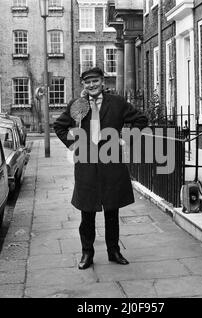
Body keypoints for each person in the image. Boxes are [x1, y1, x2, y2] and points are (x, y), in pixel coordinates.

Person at [54, 67, 149, 270]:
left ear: (102, 81)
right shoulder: (77, 105)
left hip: (111, 165)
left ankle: (113, 251)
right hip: (86, 166)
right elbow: (59, 126)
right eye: (87, 82)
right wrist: (73, 145)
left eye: (95, 81)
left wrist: (125, 140)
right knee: (87, 212)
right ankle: (87, 253)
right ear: (83, 85)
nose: (92, 85)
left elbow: (141, 120)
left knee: (111, 212)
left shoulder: (117, 103)